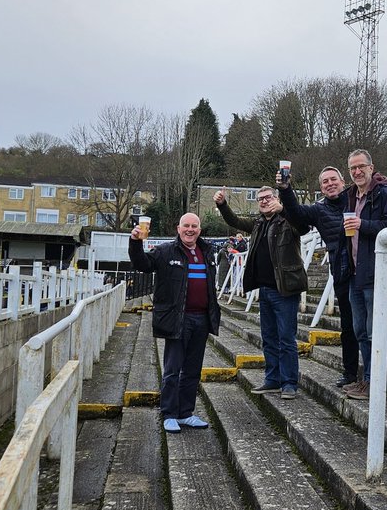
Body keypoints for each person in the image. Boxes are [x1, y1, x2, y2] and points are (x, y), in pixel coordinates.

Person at [277, 165, 387, 389]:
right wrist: (285, 189)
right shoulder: (318, 210)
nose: (330, 184)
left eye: (333, 179)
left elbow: (379, 199)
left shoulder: (355, 198)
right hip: (343, 271)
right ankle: (350, 372)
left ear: (343, 182)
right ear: (321, 188)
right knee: (349, 324)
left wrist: (379, 180)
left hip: (370, 267)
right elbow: (296, 213)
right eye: (325, 182)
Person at [128, 212, 221, 433]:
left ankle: (185, 413)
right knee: (172, 369)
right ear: (178, 229)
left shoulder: (206, 252)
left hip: (202, 319)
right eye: (186, 226)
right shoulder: (165, 251)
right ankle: (169, 413)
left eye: (194, 226)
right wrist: (135, 242)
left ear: (199, 230)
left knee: (192, 370)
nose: (190, 229)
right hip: (177, 318)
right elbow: (142, 264)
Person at [214, 185, 309, 400]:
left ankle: (289, 383)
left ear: (277, 199)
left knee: (286, 338)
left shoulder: (288, 220)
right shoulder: (258, 223)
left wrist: (284, 208)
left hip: (284, 290)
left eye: (268, 198)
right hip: (264, 290)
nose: (264, 201)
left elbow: (303, 226)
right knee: (268, 338)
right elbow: (235, 222)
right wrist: (222, 205)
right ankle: (273, 380)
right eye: (260, 199)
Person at [341, 149, 387, 401]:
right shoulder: (350, 196)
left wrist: (364, 225)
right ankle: (367, 379)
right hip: (355, 273)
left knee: (374, 331)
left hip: (376, 274)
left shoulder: (385, 194)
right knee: (360, 329)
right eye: (352, 168)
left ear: (372, 167)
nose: (357, 172)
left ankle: (375, 382)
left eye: (361, 166)